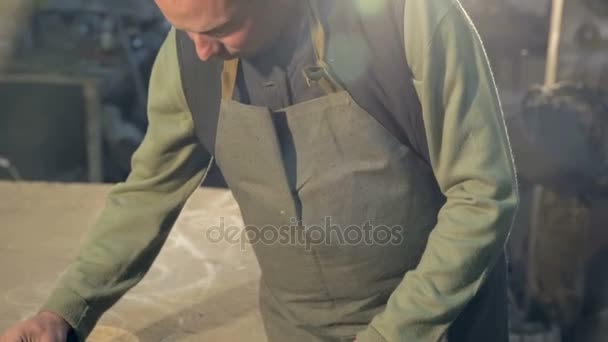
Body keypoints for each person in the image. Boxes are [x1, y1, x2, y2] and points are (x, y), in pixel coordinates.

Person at [0, 0, 518, 341]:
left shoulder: (410, 22)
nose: (199, 49)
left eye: (221, 28)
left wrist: (391, 335)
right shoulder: (188, 55)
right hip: (296, 328)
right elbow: (146, 192)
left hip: (440, 326)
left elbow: (482, 196)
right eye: (182, 28)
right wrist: (66, 310)